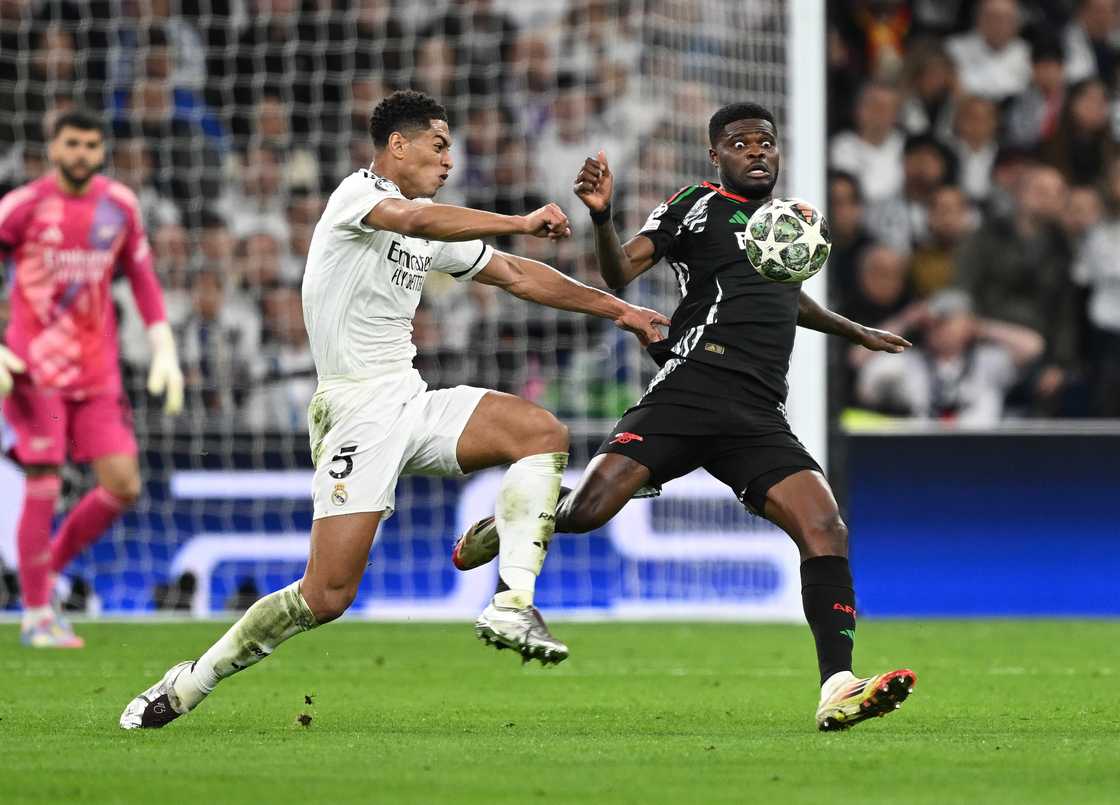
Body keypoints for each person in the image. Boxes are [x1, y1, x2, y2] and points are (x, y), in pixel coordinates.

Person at [119, 90, 669, 729]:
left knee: (540, 432)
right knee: (325, 596)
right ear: (396, 146)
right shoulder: (357, 197)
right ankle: (190, 681)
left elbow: (519, 277)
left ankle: (513, 600)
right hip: (352, 411)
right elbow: (416, 223)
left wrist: (622, 310)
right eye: (438, 146)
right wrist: (516, 219)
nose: (449, 160)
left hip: (408, 397)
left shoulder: (431, 216)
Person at [454, 102, 918, 732]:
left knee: (825, 526)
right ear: (715, 155)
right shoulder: (694, 206)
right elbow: (619, 269)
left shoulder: (784, 223)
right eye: (740, 142)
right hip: (691, 387)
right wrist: (602, 217)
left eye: (766, 142)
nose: (757, 151)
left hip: (757, 411)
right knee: (588, 514)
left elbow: (780, 292)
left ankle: (837, 685)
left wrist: (851, 330)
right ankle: (520, 516)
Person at [0, 109, 184, 648]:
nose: (81, 153)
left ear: (101, 151)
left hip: (98, 372)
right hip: (36, 372)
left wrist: (163, 348)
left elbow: (144, 281)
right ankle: (37, 614)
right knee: (45, 482)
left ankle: (42, 574)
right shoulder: (22, 207)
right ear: (53, 148)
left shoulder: (119, 206)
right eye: (72, 144)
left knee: (123, 485)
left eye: (90, 145)